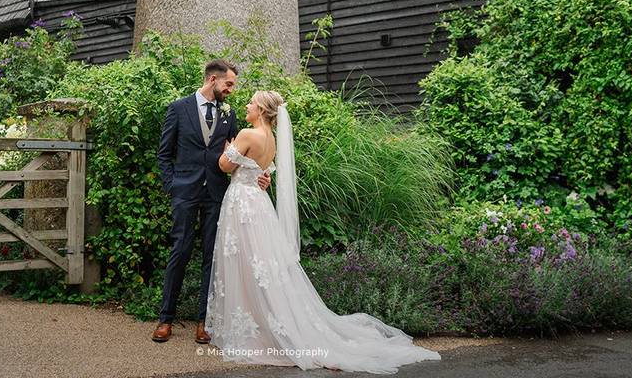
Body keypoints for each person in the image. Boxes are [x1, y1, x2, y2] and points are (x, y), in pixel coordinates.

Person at [205, 90, 441, 373]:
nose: (247, 105)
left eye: (251, 103)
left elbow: (223, 165)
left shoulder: (247, 134)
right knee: (263, 266)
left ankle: (251, 328)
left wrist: (226, 147)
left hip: (242, 203)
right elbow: (261, 169)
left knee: (244, 263)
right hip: (259, 204)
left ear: (262, 110)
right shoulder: (272, 139)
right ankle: (261, 321)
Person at [151, 60, 271, 344]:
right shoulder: (179, 108)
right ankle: (165, 319)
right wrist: (173, 187)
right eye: (228, 84)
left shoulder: (229, 115)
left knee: (211, 257)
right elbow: (164, 153)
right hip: (185, 191)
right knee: (179, 251)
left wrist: (262, 177)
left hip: (217, 194)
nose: (231, 90)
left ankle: (203, 323)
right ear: (213, 79)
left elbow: (241, 156)